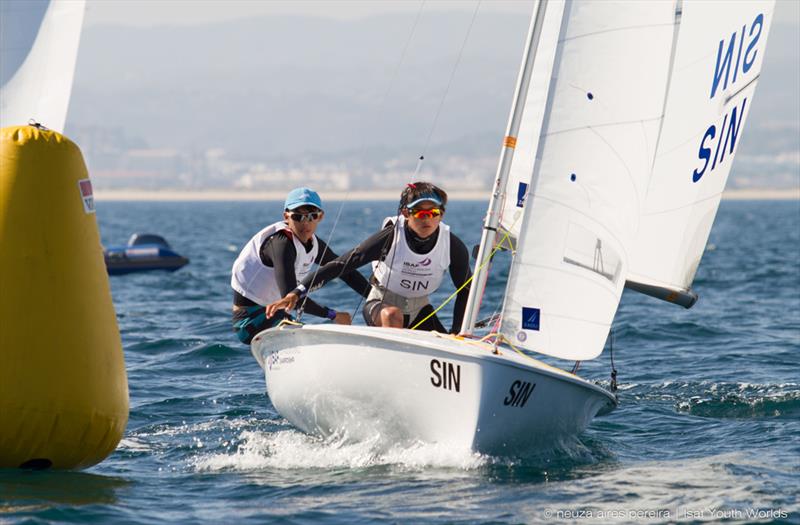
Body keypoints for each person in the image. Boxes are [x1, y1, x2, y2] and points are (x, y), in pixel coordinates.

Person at [266, 182, 471, 334]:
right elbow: (341, 265)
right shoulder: (390, 238)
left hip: (421, 309)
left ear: (441, 214)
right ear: (405, 213)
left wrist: (457, 333)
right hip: (380, 304)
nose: (427, 218)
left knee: (451, 341)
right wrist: (297, 292)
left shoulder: (452, 245)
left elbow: (466, 290)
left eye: (433, 212)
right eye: (419, 212)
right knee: (393, 315)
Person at [231, 187, 370, 344]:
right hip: (249, 321)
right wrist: (333, 315)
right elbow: (291, 298)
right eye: (298, 217)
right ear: (286, 216)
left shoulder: (314, 244)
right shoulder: (281, 244)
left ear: (320, 217)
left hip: (277, 313)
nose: (305, 223)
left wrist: (374, 297)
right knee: (320, 342)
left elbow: (345, 271)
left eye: (312, 216)